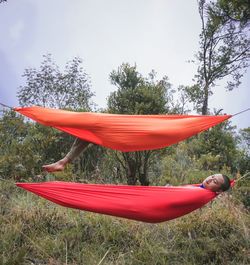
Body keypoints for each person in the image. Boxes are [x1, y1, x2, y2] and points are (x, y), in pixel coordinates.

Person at [42, 138, 231, 193]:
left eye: (215, 181)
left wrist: (169, 189)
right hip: (153, 195)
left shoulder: (201, 193)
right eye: (213, 175)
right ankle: (63, 162)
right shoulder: (200, 189)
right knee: (85, 134)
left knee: (87, 133)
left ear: (218, 190)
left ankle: (64, 162)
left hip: (151, 198)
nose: (211, 178)